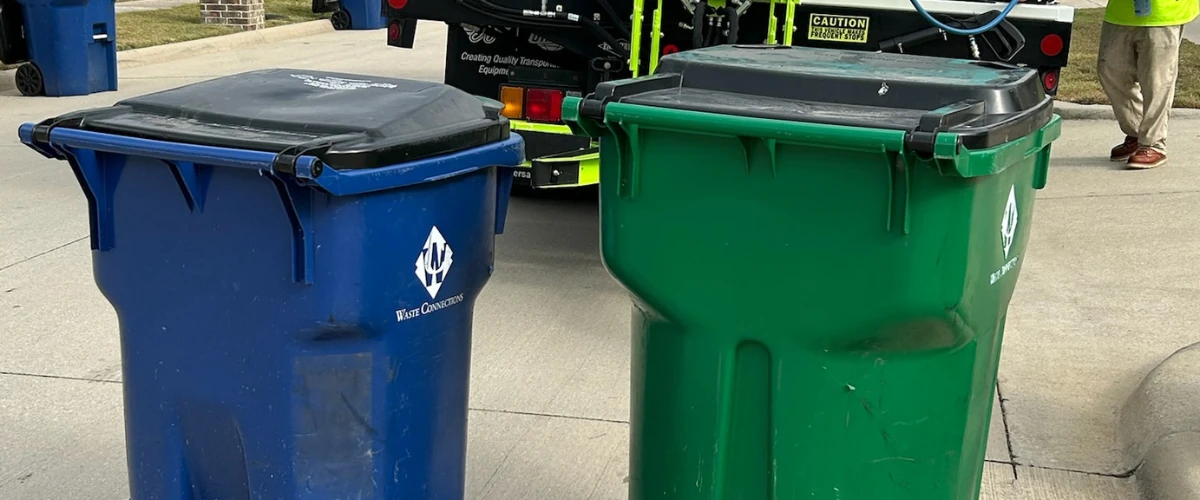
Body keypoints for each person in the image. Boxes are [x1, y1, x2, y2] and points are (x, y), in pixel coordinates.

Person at [1097, 0, 1198, 169]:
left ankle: (1153, 144)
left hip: (1164, 13)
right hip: (1121, 11)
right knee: (1110, 70)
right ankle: (1136, 133)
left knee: (1157, 81)